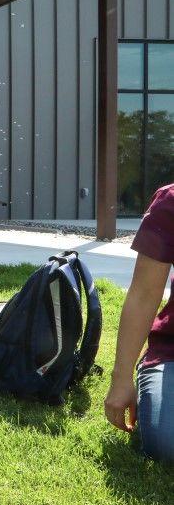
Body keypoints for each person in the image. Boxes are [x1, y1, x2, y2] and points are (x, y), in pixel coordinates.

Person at [104, 182, 174, 462]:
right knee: (167, 443)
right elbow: (144, 294)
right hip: (172, 352)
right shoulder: (170, 202)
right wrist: (121, 379)